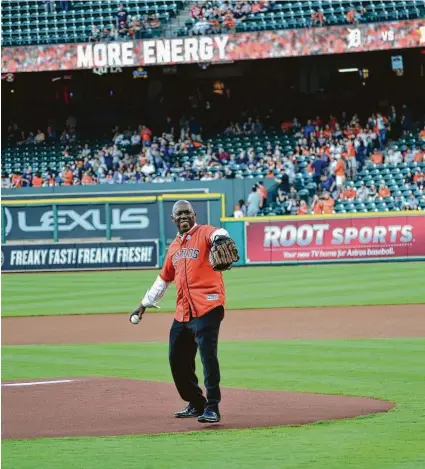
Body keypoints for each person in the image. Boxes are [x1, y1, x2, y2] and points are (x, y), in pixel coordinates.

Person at [130, 200, 239, 424]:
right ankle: (196, 402)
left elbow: (219, 232)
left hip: (209, 305)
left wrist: (221, 239)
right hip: (184, 311)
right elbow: (164, 278)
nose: (183, 217)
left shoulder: (205, 232)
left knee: (208, 356)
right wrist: (143, 304)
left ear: (194, 214)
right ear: (173, 219)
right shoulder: (173, 248)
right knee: (177, 358)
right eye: (178, 214)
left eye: (186, 213)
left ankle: (212, 407)